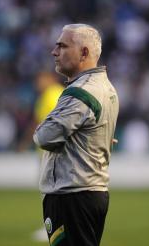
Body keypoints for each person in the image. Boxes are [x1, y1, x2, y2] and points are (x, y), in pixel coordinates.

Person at [33, 24, 119, 246]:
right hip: (90, 192)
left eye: (62, 46)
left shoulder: (80, 92)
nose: (54, 52)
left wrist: (41, 127)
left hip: (72, 194)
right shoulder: (106, 87)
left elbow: (43, 137)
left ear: (84, 53)